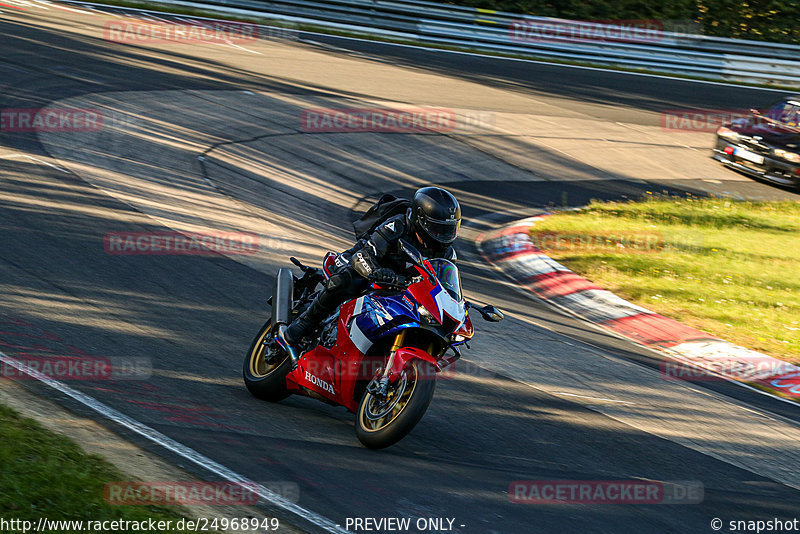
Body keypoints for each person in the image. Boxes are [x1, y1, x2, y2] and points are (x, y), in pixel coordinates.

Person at [276, 186, 462, 361]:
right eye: (438, 229)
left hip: (400, 283)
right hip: (363, 262)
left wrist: (457, 303)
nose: (443, 235)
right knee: (346, 281)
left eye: (449, 230)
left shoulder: (446, 253)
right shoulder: (397, 226)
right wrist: (377, 272)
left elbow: (443, 283)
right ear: (420, 219)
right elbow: (363, 256)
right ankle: (301, 326)